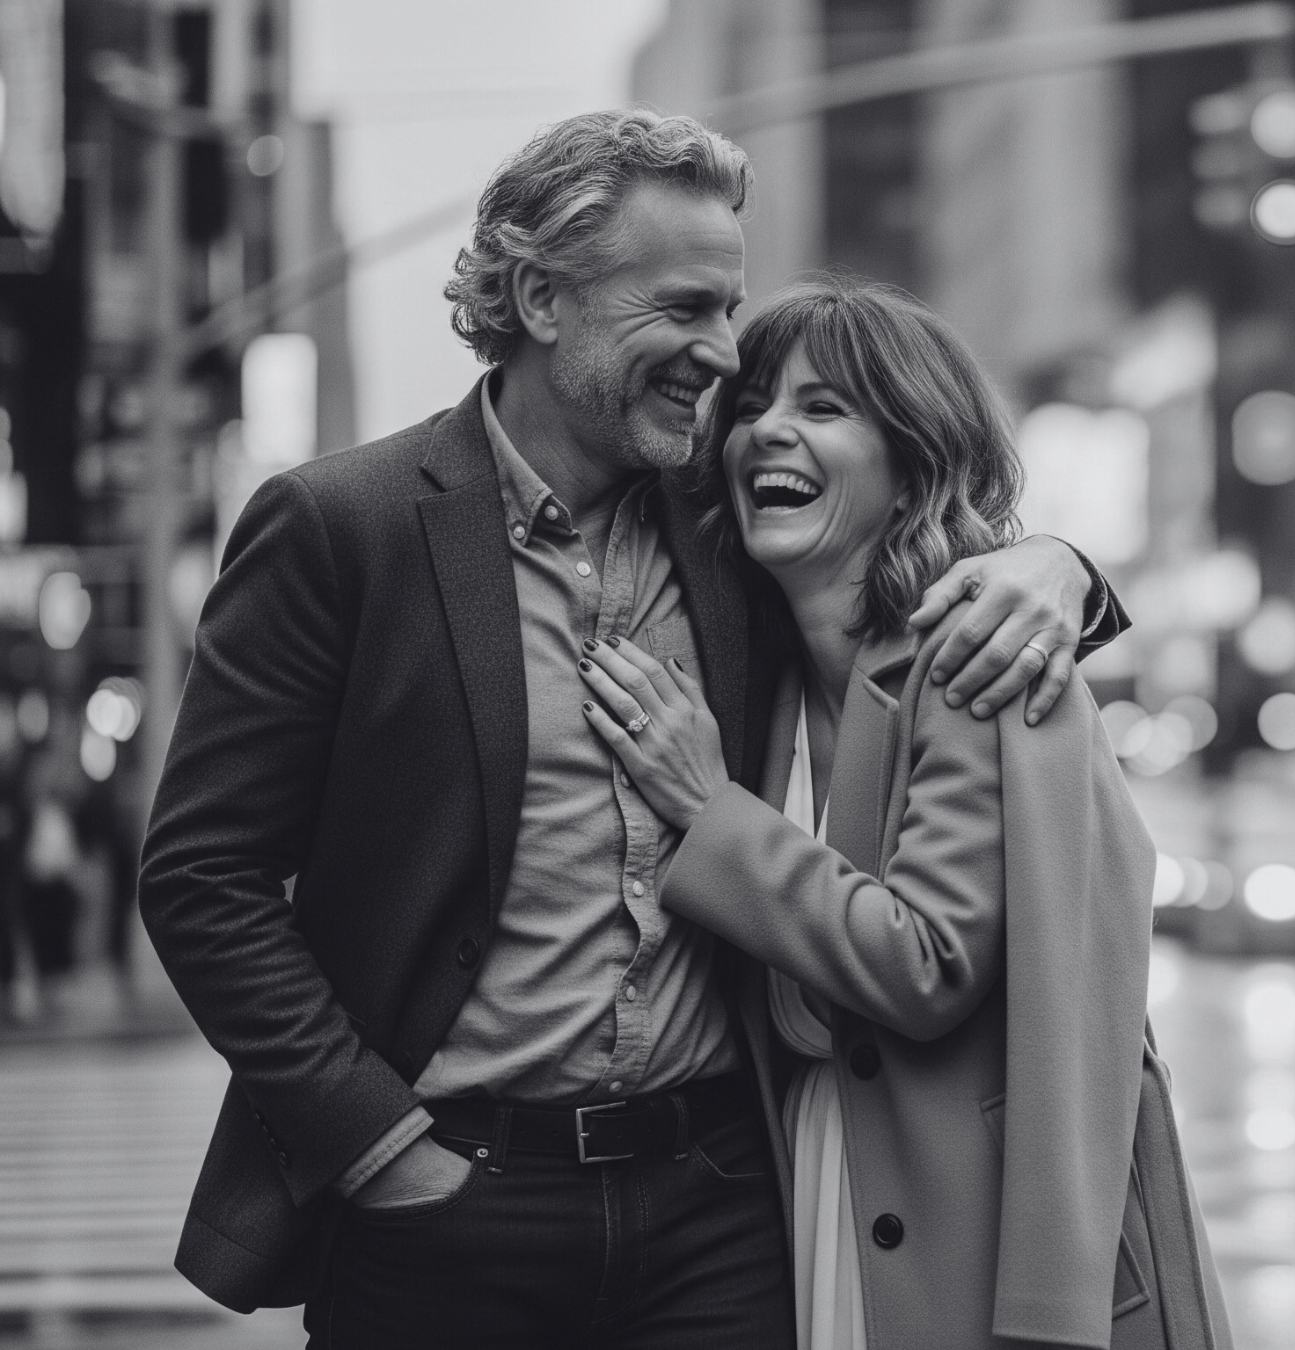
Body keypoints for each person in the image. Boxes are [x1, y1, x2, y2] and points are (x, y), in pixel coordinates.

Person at [139, 110, 1124, 1346]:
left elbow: (905, 540)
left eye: (731, 308)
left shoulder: (729, 523)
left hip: (718, 1208)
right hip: (450, 1212)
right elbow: (202, 877)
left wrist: (1063, 567)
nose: (724, 355)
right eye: (685, 307)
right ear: (544, 298)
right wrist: (378, 1147)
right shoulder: (345, 529)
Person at [575, 277, 1229, 1348]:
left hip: (973, 1222)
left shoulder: (974, 662)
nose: (769, 432)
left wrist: (708, 808)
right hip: (808, 1184)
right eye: (751, 409)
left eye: (825, 409)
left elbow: (924, 964)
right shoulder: (755, 678)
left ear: (913, 463)